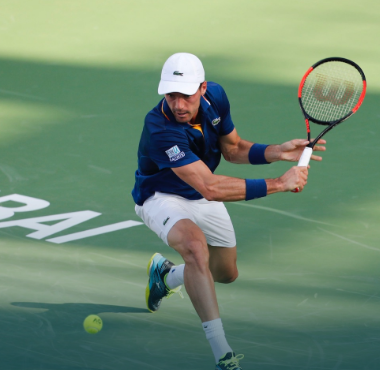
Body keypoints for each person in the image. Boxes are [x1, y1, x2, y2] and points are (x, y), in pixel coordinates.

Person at [131, 53, 325, 370]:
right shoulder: (159, 128)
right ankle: (222, 353)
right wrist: (279, 183)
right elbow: (209, 186)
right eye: (171, 95)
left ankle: (166, 275)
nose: (178, 104)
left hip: (203, 191)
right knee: (195, 248)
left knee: (225, 272)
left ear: (203, 88)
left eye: (186, 95)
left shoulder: (216, 97)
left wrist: (278, 151)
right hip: (162, 195)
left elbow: (232, 149)